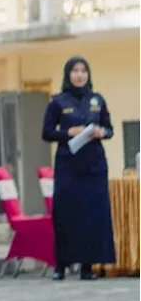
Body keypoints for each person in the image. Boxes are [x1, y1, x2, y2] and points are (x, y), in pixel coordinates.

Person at [41, 55, 116, 280]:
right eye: (75, 70)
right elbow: (46, 133)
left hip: (94, 166)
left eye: (84, 70)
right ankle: (61, 266)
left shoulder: (97, 100)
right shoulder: (58, 102)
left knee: (92, 216)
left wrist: (102, 133)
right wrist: (68, 133)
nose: (80, 75)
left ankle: (87, 267)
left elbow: (110, 129)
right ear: (68, 74)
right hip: (68, 165)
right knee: (66, 214)